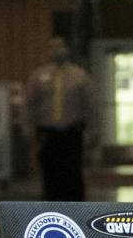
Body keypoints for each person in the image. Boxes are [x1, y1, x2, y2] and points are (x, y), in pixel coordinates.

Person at [25, 37, 99, 201]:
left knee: (73, 172)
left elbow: (90, 105)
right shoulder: (38, 76)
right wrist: (29, 130)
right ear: (48, 52)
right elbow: (30, 105)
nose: (57, 51)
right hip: (47, 132)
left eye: (60, 47)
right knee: (50, 172)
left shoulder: (80, 76)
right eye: (53, 47)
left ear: (66, 50)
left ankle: (75, 208)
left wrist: (93, 130)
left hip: (72, 131)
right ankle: (51, 206)